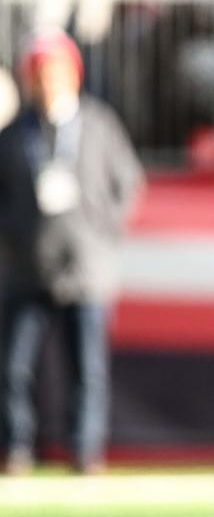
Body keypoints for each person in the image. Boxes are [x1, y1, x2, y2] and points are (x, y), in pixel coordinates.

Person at [0, 30, 144, 475]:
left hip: (87, 267)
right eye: (39, 72)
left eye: (55, 70)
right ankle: (18, 447)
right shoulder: (14, 133)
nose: (46, 81)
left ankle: (84, 450)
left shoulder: (98, 123)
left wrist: (103, 232)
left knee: (87, 369)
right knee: (14, 367)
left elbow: (128, 184)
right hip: (27, 266)